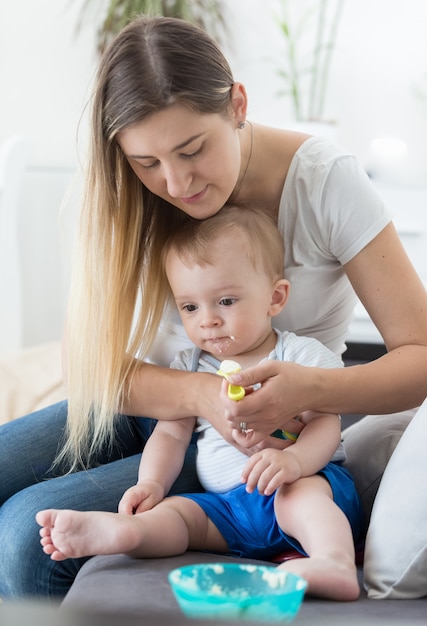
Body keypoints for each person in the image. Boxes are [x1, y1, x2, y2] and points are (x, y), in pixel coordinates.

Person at [1, 15, 426, 600]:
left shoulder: (325, 183)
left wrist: (309, 390)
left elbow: (420, 355)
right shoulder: (129, 195)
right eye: (147, 163)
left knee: (26, 533)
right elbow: (90, 371)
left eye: (192, 149)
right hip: (153, 411)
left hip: (251, 441)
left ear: (237, 104)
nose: (175, 183)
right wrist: (204, 396)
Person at [36, 207, 364, 601]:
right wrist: (151, 483)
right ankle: (124, 532)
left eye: (225, 301)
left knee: (300, 496)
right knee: (179, 514)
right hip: (228, 509)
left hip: (301, 483)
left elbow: (325, 424)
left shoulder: (299, 357)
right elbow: (172, 433)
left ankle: (335, 562)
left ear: (275, 298)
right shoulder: (190, 366)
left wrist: (295, 462)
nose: (207, 320)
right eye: (190, 307)